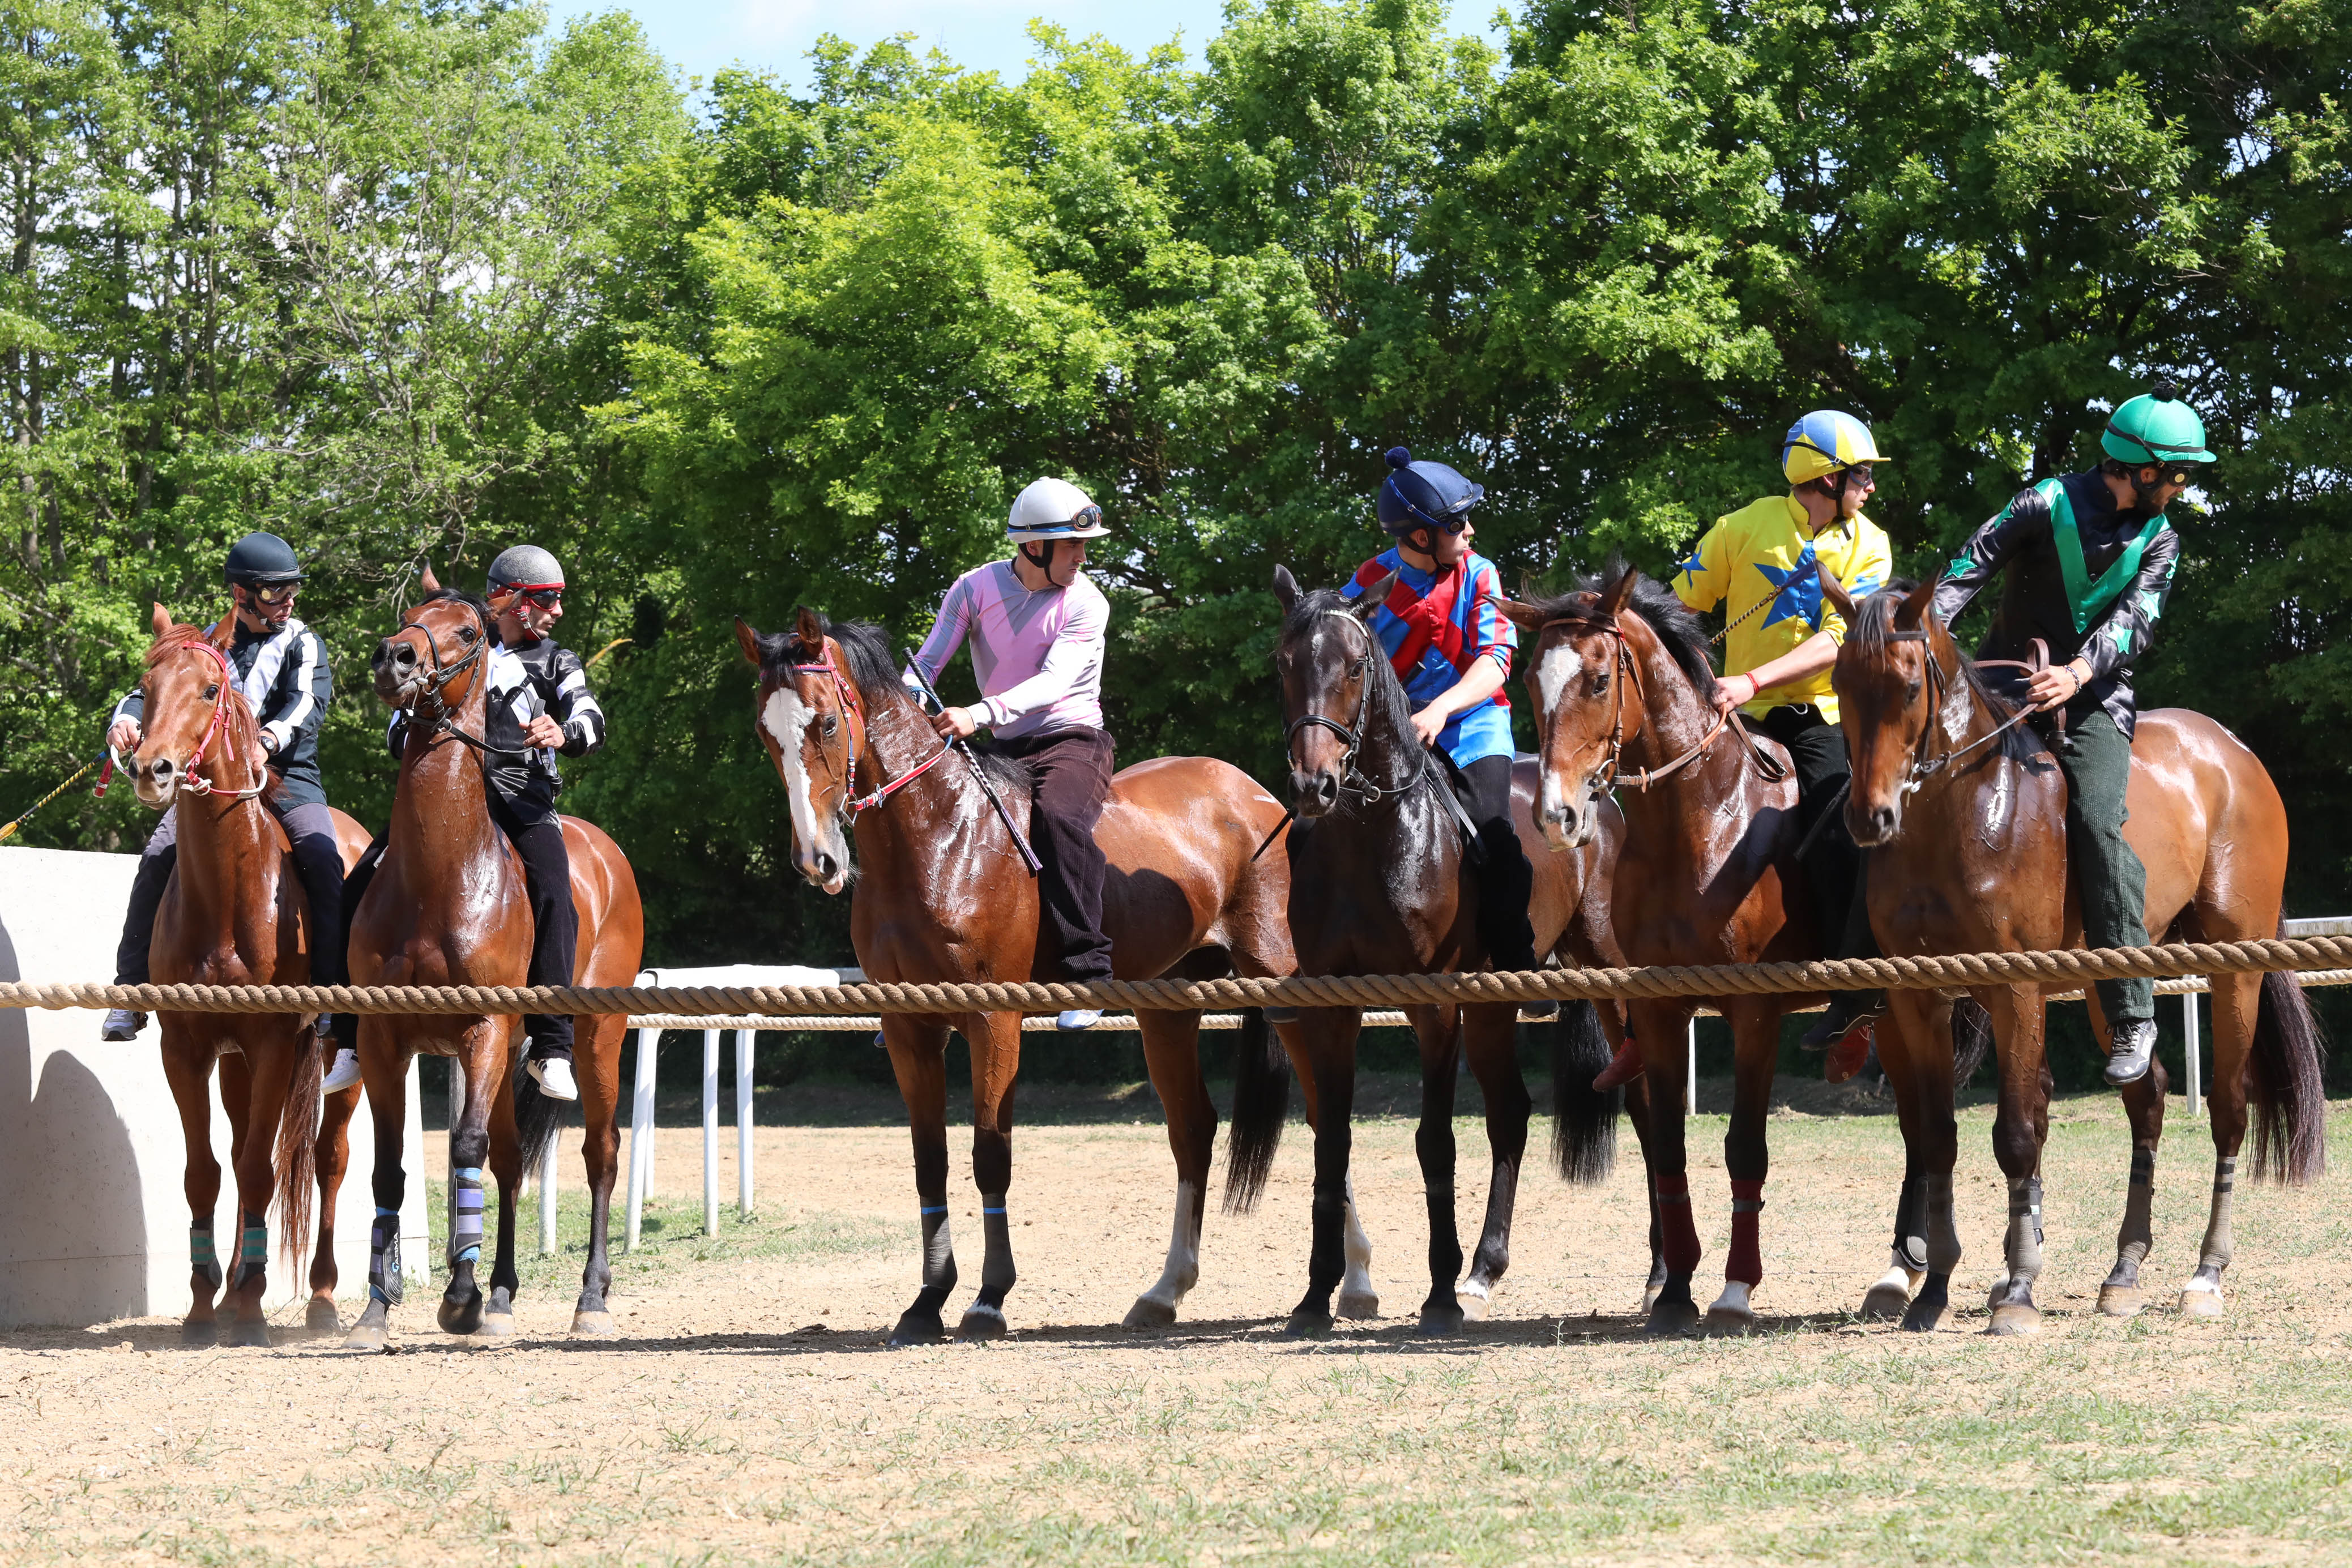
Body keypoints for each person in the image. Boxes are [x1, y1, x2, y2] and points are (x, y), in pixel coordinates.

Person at [1934, 382, 2204, 1087]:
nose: (2181, 488)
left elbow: (2135, 622)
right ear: (2143, 471)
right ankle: (1866, 988)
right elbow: (1966, 570)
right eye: (2177, 476)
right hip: (1998, 685)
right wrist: (1919, 632)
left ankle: (2132, 1012)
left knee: (2096, 823)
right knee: (1905, 787)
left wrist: (2078, 673)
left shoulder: (2162, 539)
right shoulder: (2041, 503)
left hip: (2093, 702)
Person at [334, 546, 605, 1100]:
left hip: (522, 799)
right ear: (511, 600)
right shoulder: (453, 646)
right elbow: (393, 734)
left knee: (555, 889)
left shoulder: (557, 660)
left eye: (559, 601)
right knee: (356, 886)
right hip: (442, 806)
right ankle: (345, 1038)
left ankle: (552, 1046)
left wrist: (563, 732)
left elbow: (591, 720)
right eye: (548, 600)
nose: (556, 612)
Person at [99, 532, 347, 1059]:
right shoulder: (204, 645)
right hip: (210, 787)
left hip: (288, 776)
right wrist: (123, 721)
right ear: (243, 594)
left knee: (325, 860)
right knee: (156, 858)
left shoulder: (303, 641)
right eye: (276, 591)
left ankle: (331, 998)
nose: (288, 600)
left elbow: (308, 704)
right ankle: (131, 990)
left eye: (291, 590)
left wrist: (267, 740)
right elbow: (149, 694)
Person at [1337, 446, 1548, 1006]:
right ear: (1421, 536)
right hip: (1389, 739)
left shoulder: (1481, 573)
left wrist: (1439, 710)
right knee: (1316, 828)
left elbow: (1495, 662)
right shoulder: (1369, 581)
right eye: (1458, 524)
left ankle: (1515, 958)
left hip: (1474, 727)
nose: (1470, 531)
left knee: (1495, 834)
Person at [908, 477, 1117, 1031]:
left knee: (1055, 817)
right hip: (1001, 747)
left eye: (1083, 545)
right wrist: (903, 692)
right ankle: (915, 980)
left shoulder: (1087, 604)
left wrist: (976, 715)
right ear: (1033, 546)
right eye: (1072, 545)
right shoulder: (972, 588)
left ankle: (1088, 975)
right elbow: (927, 662)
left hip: (1071, 742)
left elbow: (1051, 685)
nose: (1082, 555)